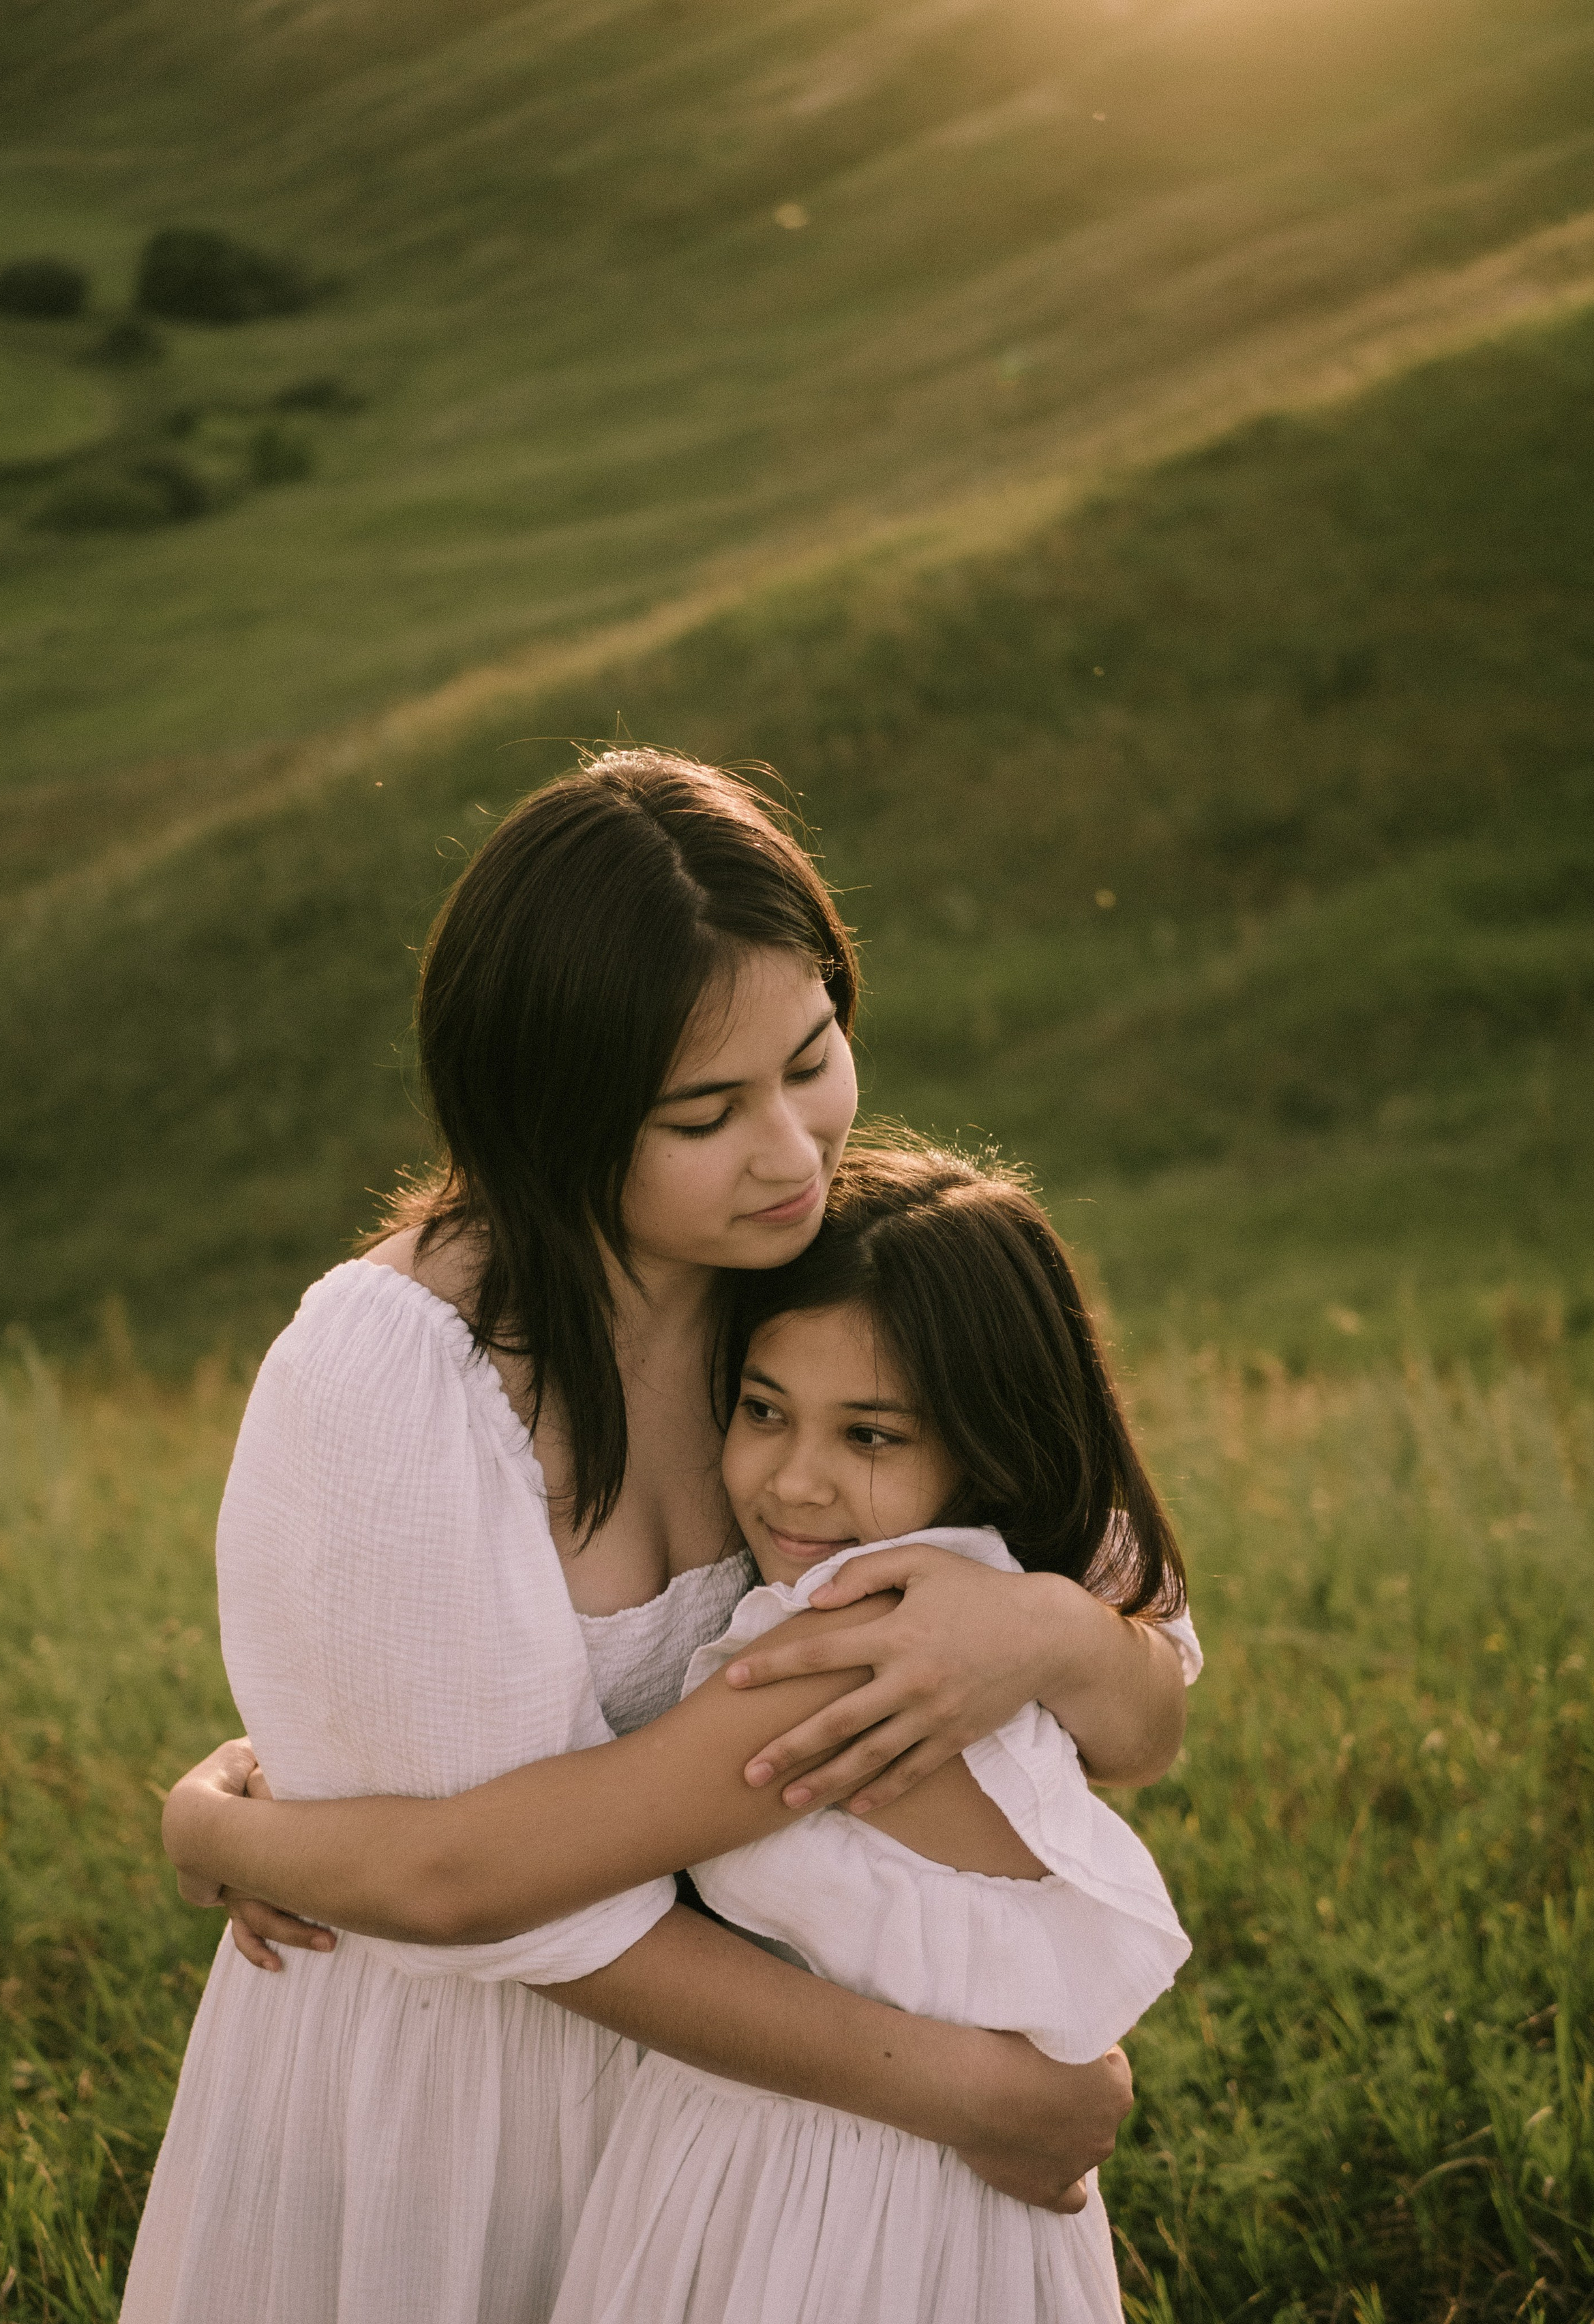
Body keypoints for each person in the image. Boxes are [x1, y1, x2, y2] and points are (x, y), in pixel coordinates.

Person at [132, 751, 1196, 2324]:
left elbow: (1138, 1676)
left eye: (812, 1053)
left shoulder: (823, 1282)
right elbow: (462, 1880)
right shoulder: (389, 1376)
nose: (790, 1150)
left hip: (764, 2140)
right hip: (464, 2112)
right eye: (704, 1112)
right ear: (550, 1116)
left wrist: (1037, 1630)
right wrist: (218, 1830)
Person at [548, 1139, 1192, 2323]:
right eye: (762, 1410)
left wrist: (235, 1824)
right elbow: (1150, 1713)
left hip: (830, 2205)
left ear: (986, 1441)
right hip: (903, 2170)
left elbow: (513, 1871)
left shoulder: (844, 1657)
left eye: (871, 1436)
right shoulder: (983, 1595)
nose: (795, 1482)